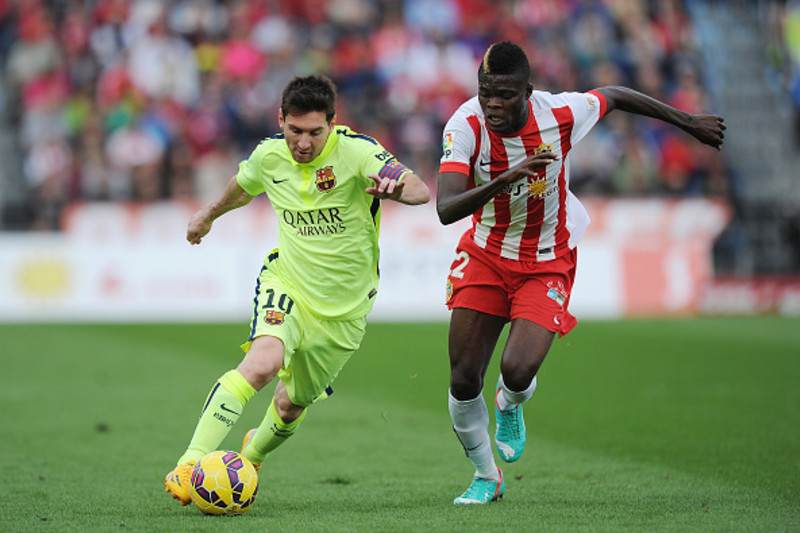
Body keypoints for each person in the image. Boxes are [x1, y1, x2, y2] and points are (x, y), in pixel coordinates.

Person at [436, 41, 725, 504]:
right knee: (463, 377)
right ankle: (485, 475)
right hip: (487, 254)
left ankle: (510, 403)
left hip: (547, 257)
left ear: (528, 91)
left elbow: (615, 94)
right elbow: (447, 208)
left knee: (518, 367)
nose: (493, 103)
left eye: (506, 94)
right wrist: (506, 178)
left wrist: (687, 122)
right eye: (486, 92)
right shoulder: (465, 125)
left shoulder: (561, 114)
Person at [164, 74, 431, 505]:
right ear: (281, 120)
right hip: (286, 282)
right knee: (261, 364)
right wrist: (209, 215)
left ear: (332, 124)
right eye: (294, 130)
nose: (303, 143)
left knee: (290, 406)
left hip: (343, 312)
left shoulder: (358, 151)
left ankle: (249, 458)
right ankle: (190, 463)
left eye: (314, 132)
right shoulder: (270, 156)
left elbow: (418, 189)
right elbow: (243, 185)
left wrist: (396, 188)